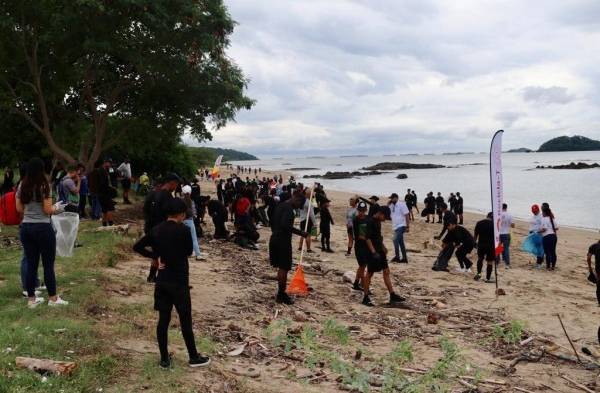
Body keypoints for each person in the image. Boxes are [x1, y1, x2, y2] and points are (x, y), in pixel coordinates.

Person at [133, 198, 211, 369]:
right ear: (182, 214)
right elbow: (188, 252)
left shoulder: (157, 229)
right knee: (185, 320)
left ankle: (164, 359)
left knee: (163, 320)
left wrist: (155, 257)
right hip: (179, 281)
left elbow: (137, 246)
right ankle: (193, 356)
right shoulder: (184, 230)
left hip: (162, 280)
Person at [15, 157, 69, 308]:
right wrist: (58, 208)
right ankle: (53, 298)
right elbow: (47, 210)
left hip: (26, 228)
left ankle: (31, 299)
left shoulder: (22, 185)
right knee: (48, 264)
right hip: (43, 228)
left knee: (31, 264)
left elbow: (19, 209)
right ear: (42, 169)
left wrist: (31, 211)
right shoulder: (44, 185)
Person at [360, 205, 406, 307]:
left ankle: (392, 295)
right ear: (380, 213)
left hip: (379, 250)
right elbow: (367, 238)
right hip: (371, 252)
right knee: (370, 273)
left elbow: (378, 237)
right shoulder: (370, 221)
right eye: (385, 217)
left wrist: (383, 247)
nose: (385, 220)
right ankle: (365, 296)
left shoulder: (378, 222)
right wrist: (373, 252)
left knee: (386, 271)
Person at [268, 192, 309, 304]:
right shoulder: (288, 209)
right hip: (282, 241)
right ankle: (281, 294)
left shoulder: (280, 206)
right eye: (299, 204)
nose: (298, 207)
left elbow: (273, 221)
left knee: (281, 268)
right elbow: (285, 225)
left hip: (274, 238)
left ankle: (281, 293)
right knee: (284, 267)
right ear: (296, 199)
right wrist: (300, 232)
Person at [143, 174, 181, 281]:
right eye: (176, 185)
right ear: (172, 183)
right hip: (162, 229)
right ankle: (163, 277)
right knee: (166, 254)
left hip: (150, 227)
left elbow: (145, 210)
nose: (176, 188)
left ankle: (151, 276)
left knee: (157, 253)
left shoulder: (152, 193)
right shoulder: (167, 196)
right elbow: (170, 214)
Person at [181, 185, 204, 261]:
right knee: (194, 239)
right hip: (190, 221)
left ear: (183, 192)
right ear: (190, 193)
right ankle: (198, 254)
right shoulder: (191, 201)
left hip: (181, 221)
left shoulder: (180, 201)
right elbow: (194, 213)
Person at [352, 201, 370, 291]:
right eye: (360, 211)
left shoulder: (367, 218)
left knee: (362, 266)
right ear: (358, 210)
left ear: (366, 210)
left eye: (363, 211)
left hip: (366, 246)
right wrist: (368, 239)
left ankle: (356, 283)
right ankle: (363, 285)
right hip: (359, 246)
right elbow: (358, 235)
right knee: (362, 266)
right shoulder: (356, 220)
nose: (362, 212)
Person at [473, 212, 496, 282]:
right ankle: (487, 278)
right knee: (490, 262)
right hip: (491, 246)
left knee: (480, 258)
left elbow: (475, 235)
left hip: (481, 244)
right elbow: (498, 238)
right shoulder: (494, 225)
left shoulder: (479, 223)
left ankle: (479, 273)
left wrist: (474, 243)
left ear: (487, 216)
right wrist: (499, 249)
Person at [388, 193, 410, 263]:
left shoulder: (402, 204)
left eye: (392, 198)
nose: (391, 199)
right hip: (395, 226)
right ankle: (404, 258)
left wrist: (407, 226)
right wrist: (388, 204)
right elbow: (387, 212)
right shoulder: (391, 205)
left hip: (402, 225)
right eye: (391, 198)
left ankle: (397, 257)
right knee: (401, 242)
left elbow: (407, 215)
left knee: (395, 240)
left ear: (396, 198)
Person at [97, 158, 117, 227]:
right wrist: (110, 188)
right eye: (109, 163)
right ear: (105, 162)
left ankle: (104, 225)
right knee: (110, 208)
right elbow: (102, 183)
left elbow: (113, 175)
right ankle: (111, 224)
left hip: (103, 193)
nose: (110, 164)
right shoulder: (101, 171)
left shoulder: (107, 170)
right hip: (104, 193)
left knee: (104, 210)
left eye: (111, 163)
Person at [539, 204, 558, 270]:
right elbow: (556, 228)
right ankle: (553, 266)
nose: (542, 214)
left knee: (547, 252)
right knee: (553, 252)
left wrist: (539, 231)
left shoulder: (544, 219)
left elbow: (544, 229)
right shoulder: (551, 218)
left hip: (547, 237)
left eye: (542, 212)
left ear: (544, 212)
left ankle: (548, 267)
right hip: (554, 236)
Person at [497, 203, 515, 268]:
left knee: (498, 247)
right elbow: (513, 225)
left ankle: (497, 261)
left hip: (499, 234)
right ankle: (507, 264)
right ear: (506, 208)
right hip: (506, 233)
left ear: (501, 207)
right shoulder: (509, 215)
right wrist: (509, 224)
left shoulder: (498, 214)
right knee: (506, 248)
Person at [587, 237, 600, 306]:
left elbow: (588, 258)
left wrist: (590, 269)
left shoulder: (594, 246)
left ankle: (599, 302)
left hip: (598, 269)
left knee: (598, 286)